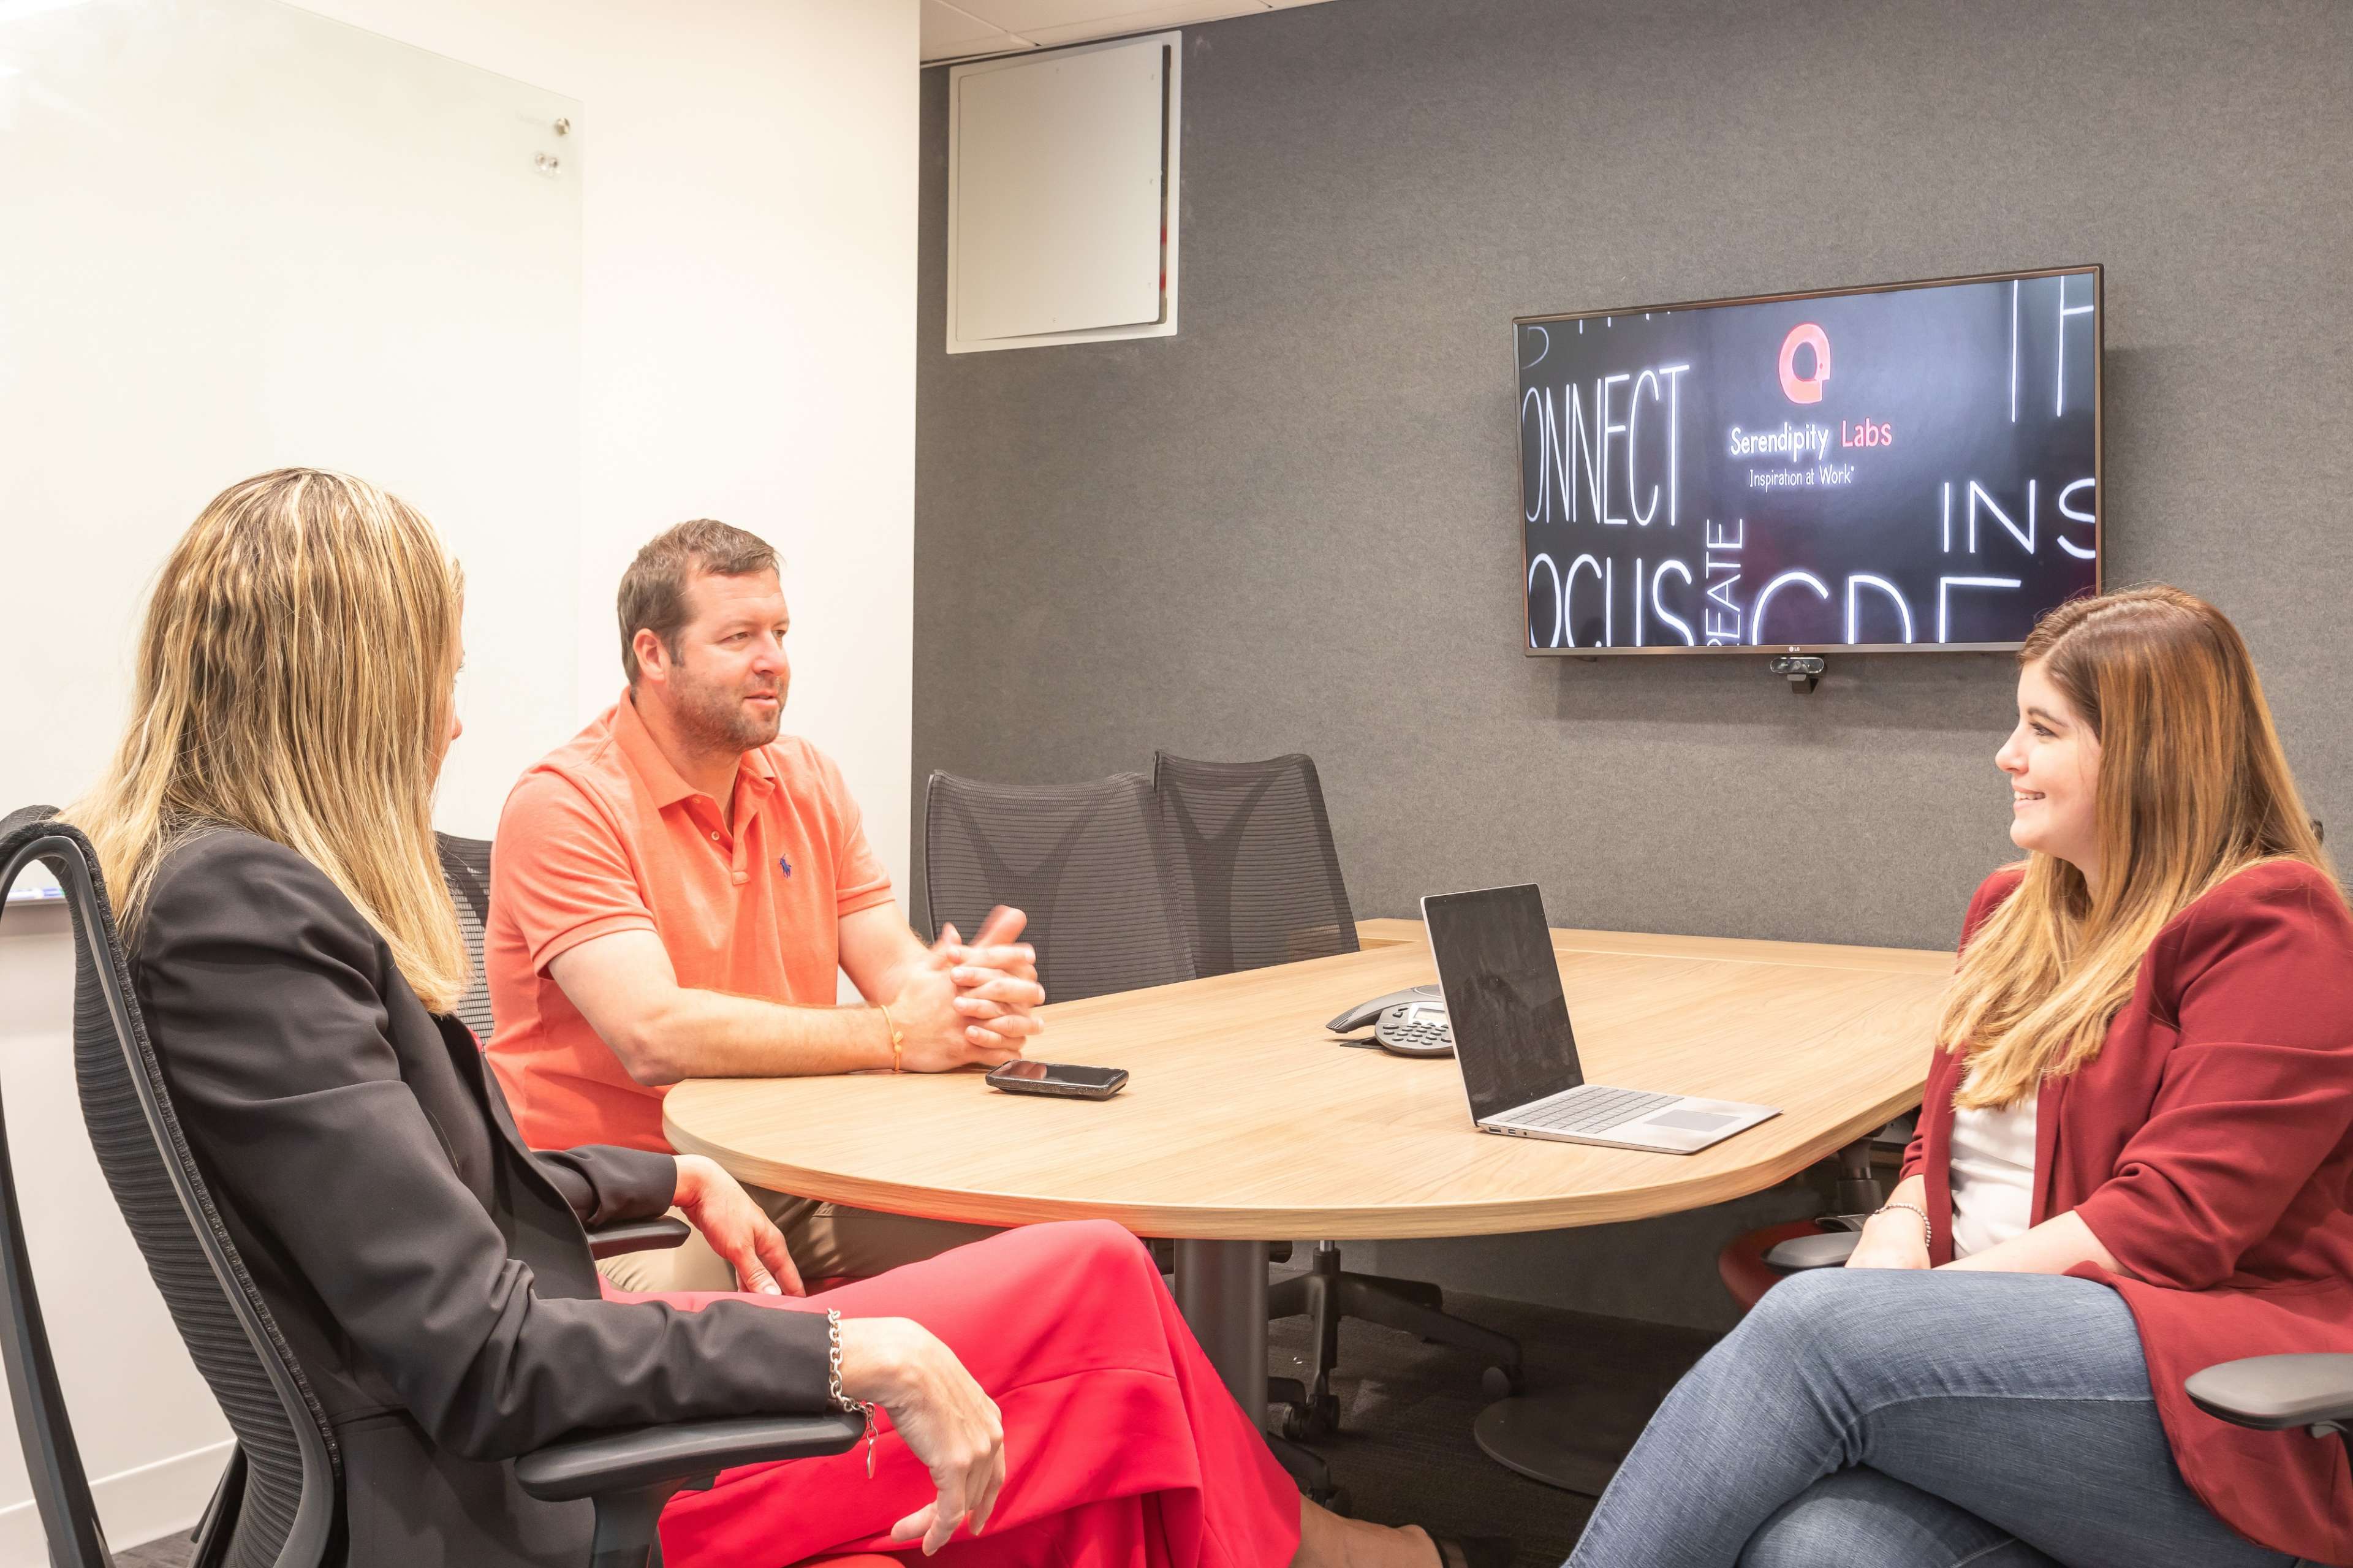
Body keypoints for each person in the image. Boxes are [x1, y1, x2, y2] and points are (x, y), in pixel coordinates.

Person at [64, 469, 1507, 1568]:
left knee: (1078, 1358)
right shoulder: (247, 919)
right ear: (346, 686)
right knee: (1087, 1285)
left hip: (562, 1387)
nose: (451, 716)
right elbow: (492, 1349)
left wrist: (662, 1170)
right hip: (560, 1486)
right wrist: (840, 1352)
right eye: (434, 670)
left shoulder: (207, 894)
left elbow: (421, 1203)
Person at [1566, 585, 2353, 1568]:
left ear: (2150, 753)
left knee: (1817, 1330)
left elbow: (2174, 1222)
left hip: (2209, 1396)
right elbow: (1939, 1138)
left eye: (2042, 728)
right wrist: (1900, 1228)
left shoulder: (2275, 922)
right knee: (1817, 1549)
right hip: (2006, 1372)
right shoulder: (2012, 909)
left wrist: (1907, 1313)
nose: (2006, 755)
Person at [484, 519, 1036, 1292]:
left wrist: (966, 997)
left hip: (789, 1170)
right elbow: (654, 1035)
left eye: (779, 631)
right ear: (653, 655)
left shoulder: (808, 779)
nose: (772, 660)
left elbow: (899, 978)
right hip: (621, 1205)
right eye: (739, 636)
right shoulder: (565, 803)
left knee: (1040, 1249)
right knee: (721, 1327)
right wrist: (898, 1033)